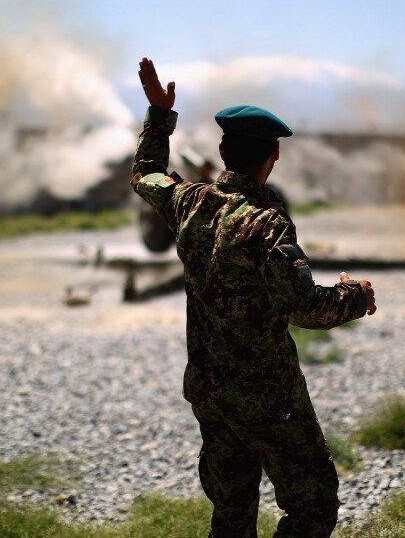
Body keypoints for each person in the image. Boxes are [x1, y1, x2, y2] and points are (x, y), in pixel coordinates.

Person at [132, 57, 376, 537]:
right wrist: (356, 294)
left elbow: (146, 173)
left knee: (232, 512)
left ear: (223, 150)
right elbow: (304, 306)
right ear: (274, 155)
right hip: (267, 396)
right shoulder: (265, 224)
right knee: (313, 506)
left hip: (211, 389)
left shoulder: (190, 202)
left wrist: (159, 116)